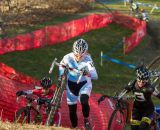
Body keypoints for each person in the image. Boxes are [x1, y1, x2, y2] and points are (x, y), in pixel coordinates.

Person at [58, 38, 98, 129]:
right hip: (71, 85)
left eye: (81, 55)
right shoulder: (67, 57)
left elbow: (95, 76)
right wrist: (61, 76)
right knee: (72, 110)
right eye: (77, 55)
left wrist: (87, 73)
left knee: (84, 101)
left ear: (85, 53)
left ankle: (86, 119)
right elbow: (61, 66)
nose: (79, 57)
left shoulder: (88, 60)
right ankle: (75, 127)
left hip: (84, 84)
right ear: (73, 51)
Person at [124, 65, 160, 130]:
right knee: (134, 128)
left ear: (146, 81)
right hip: (136, 109)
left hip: (148, 109)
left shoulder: (149, 88)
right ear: (137, 78)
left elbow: (158, 95)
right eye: (139, 80)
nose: (141, 83)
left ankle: (153, 121)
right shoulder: (133, 83)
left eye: (143, 82)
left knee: (142, 127)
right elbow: (125, 91)